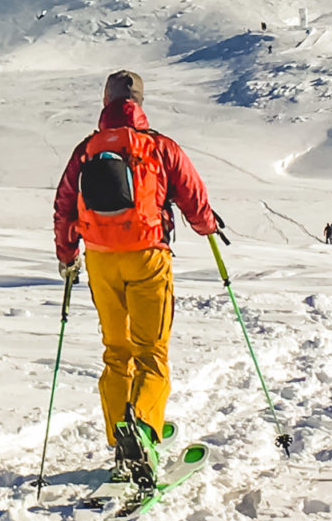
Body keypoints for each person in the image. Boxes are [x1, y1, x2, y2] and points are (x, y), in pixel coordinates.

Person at [52, 69, 218, 485]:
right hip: (147, 256)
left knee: (116, 350)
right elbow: (193, 197)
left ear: (105, 103)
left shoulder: (87, 149)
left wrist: (67, 253)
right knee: (151, 352)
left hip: (101, 260)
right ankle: (142, 430)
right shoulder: (158, 146)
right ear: (139, 104)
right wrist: (208, 226)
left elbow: (64, 204)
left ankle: (120, 436)